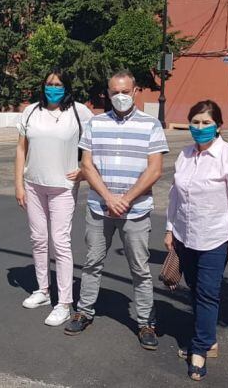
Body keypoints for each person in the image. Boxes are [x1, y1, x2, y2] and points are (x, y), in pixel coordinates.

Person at [65, 69, 168, 351]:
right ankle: (84, 311)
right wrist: (110, 198)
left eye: (125, 91)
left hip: (136, 211)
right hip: (100, 208)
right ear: (107, 94)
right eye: (114, 92)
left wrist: (126, 198)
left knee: (140, 268)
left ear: (135, 92)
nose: (120, 97)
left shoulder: (151, 125)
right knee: (92, 262)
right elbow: (87, 165)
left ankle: (146, 321)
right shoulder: (95, 124)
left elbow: (155, 169)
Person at [165, 100, 228, 381]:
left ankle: (200, 349)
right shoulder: (185, 155)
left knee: (207, 292)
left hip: (215, 237)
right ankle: (208, 336)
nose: (200, 127)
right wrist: (170, 229)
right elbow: (175, 195)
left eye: (206, 123)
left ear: (218, 126)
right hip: (185, 236)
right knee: (194, 287)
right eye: (196, 122)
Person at [15, 69, 94, 326]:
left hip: (63, 186)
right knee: (38, 239)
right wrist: (18, 183)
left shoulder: (79, 112)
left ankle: (64, 302)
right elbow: (20, 148)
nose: (53, 88)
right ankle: (43, 290)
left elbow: (95, 144)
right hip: (34, 184)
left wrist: (85, 171)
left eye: (59, 84)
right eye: (49, 84)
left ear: (67, 87)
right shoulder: (30, 112)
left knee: (60, 242)